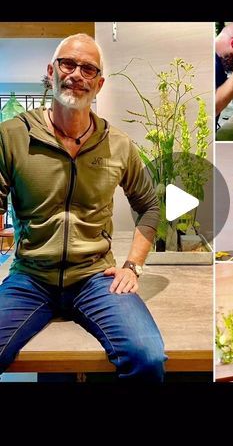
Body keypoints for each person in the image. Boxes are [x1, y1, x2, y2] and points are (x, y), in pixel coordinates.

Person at [0, 33, 166, 382]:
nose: (77, 74)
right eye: (68, 63)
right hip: (30, 277)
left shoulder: (119, 145)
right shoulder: (12, 136)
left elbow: (149, 206)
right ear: (51, 71)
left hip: (95, 278)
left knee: (148, 356)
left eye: (88, 68)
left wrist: (132, 267)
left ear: (99, 83)